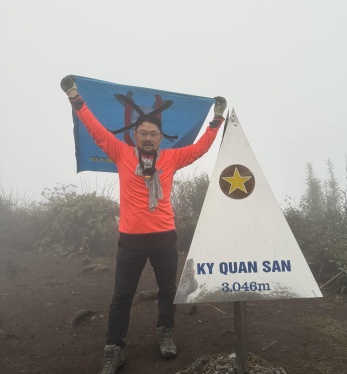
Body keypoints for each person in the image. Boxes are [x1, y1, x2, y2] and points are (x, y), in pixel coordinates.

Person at [60, 75, 226, 374]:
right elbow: (97, 131)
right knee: (122, 295)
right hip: (131, 239)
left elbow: (200, 148)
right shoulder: (121, 153)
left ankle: (165, 332)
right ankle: (114, 348)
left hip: (164, 237)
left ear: (161, 138)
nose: (148, 137)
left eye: (153, 133)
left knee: (167, 289)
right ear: (135, 137)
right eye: (143, 133)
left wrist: (216, 121)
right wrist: (76, 100)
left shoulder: (172, 159)